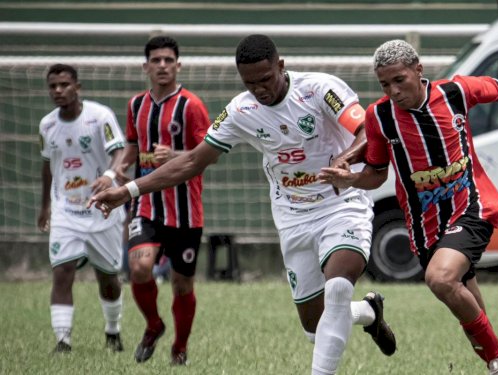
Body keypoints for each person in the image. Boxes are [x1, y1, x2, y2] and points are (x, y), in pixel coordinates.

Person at [90, 34, 396, 374]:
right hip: (293, 215)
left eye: (266, 79)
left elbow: (369, 129)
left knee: (338, 287)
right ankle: (369, 312)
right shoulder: (240, 110)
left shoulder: (319, 89)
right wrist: (128, 190)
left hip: (342, 203)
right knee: (314, 328)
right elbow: (192, 161)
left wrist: (345, 158)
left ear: (281, 66)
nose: (260, 89)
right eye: (250, 83)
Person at [318, 39, 498, 375]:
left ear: (418, 71)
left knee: (440, 278)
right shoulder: (378, 116)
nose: (393, 91)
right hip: (424, 224)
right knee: (464, 298)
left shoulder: (456, 92)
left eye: (399, 80)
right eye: (385, 84)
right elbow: (377, 173)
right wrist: (351, 180)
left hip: (472, 204)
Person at [116, 35, 211, 365]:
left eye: (168, 60)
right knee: (140, 268)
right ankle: (154, 325)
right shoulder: (135, 105)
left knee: (182, 283)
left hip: (186, 212)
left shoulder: (192, 106)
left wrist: (175, 155)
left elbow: (209, 155)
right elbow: (131, 146)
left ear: (178, 65)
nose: (162, 66)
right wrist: (114, 172)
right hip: (146, 205)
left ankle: (180, 346)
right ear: (145, 67)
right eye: (155, 60)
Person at [37, 63, 126, 354]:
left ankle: (113, 332)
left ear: (78, 87)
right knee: (62, 272)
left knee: (108, 277)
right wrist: (46, 205)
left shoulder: (100, 117)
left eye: (64, 84)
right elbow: (48, 165)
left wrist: (110, 177)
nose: (58, 90)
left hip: (103, 208)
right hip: (66, 210)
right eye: (53, 86)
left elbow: (120, 151)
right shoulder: (47, 125)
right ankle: (63, 341)